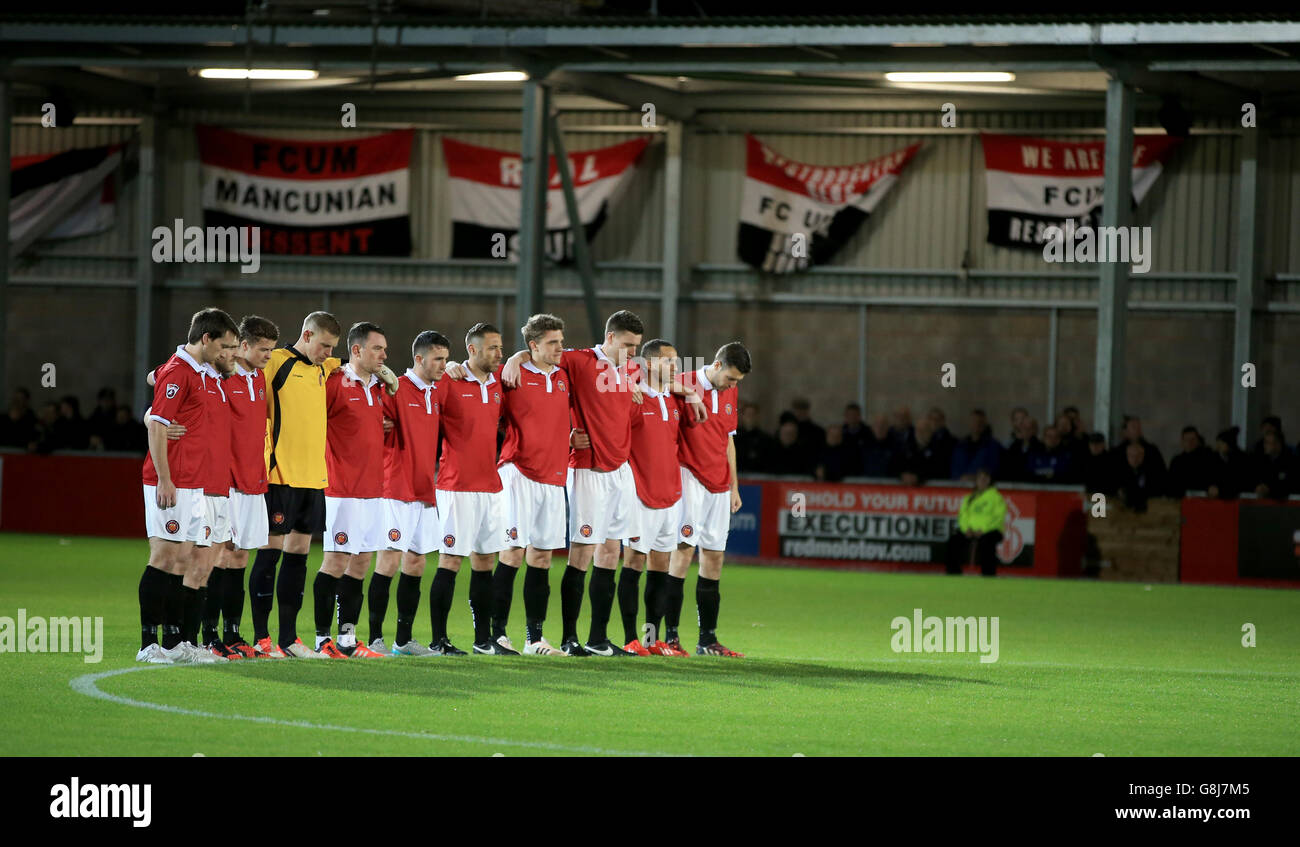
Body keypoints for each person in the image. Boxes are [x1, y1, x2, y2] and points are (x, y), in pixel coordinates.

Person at [497, 310, 654, 657]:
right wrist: (516, 356)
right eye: (627, 345)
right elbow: (540, 353)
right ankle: (569, 637)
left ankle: (598, 638)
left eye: (637, 347)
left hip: (620, 471)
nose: (632, 353)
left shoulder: (629, 371)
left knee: (611, 552)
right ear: (610, 338)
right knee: (580, 553)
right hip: (586, 469)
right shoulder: (581, 360)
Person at [135, 307, 239, 665]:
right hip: (173, 480)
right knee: (164, 558)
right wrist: (165, 478)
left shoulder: (205, 372)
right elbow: (157, 423)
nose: (229, 354)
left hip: (197, 483)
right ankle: (149, 644)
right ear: (206, 339)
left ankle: (175, 642)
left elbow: (156, 377)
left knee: (182, 562)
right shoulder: (181, 372)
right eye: (224, 346)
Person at [248, 311, 343, 659]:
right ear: (306, 334)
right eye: (323, 345)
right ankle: (261, 638)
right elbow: (231, 363)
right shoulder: (276, 362)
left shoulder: (323, 366)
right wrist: (158, 374)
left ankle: (289, 639)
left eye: (332, 348)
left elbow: (349, 361)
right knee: (269, 554)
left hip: (313, 477)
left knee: (299, 555)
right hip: (280, 476)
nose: (327, 352)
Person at [493, 315, 581, 657]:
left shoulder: (564, 376)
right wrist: (514, 359)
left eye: (561, 341)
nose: (561, 348)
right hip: (518, 472)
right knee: (512, 552)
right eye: (553, 343)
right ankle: (498, 635)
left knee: (542, 557)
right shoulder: (512, 375)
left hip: (554, 476)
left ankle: (534, 640)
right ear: (533, 346)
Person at [313, 322, 394, 659]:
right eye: (377, 348)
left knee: (360, 563)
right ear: (357, 350)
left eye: (385, 349)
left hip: (374, 490)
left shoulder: (380, 387)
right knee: (335, 561)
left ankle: (347, 638)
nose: (384, 355)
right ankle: (321, 639)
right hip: (341, 489)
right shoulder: (334, 382)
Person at [433, 323, 511, 656]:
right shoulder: (449, 381)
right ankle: (439, 640)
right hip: (456, 486)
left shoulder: (499, 383)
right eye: (493, 348)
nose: (499, 354)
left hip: (490, 486)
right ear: (473, 350)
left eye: (501, 348)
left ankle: (483, 641)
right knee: (450, 560)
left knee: (484, 562)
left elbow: (529, 358)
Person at [668, 341, 750, 657]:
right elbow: (641, 374)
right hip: (689, 477)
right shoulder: (684, 383)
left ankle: (708, 640)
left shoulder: (730, 389)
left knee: (714, 557)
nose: (733, 385)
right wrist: (686, 391)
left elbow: (728, 441)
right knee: (683, 553)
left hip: (719, 484)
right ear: (716, 366)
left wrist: (734, 485)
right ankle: (671, 637)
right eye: (730, 378)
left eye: (737, 382)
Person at [372, 331, 450, 657]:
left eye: (446, 359)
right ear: (419, 359)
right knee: (388, 560)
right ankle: (374, 638)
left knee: (416, 562)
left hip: (423, 489)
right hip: (395, 487)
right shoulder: (395, 388)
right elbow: (368, 419)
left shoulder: (435, 391)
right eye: (438, 360)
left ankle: (403, 641)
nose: (444, 366)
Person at [619, 338, 698, 657]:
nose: (676, 367)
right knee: (634, 561)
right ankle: (629, 638)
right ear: (648, 363)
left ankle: (651, 639)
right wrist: (627, 381)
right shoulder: (632, 395)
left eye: (677, 361)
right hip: (640, 493)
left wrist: (690, 392)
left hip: (671, 494)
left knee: (660, 567)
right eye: (668, 361)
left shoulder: (675, 399)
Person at [209, 315, 280, 659]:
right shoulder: (221, 375)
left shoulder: (259, 377)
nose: (268, 355)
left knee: (239, 558)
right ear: (244, 346)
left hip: (254, 482)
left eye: (271, 350)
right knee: (219, 556)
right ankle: (209, 635)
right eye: (263, 349)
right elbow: (162, 374)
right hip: (227, 482)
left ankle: (232, 633)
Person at [945, 467, 1006, 576]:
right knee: (954, 540)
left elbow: (998, 517)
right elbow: (963, 515)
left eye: (985, 478)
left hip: (990, 530)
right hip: (970, 530)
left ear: (989, 481)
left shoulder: (996, 497)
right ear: (976, 481)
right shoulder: (969, 498)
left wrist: (983, 530)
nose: (982, 481)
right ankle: (953, 573)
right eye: (980, 478)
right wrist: (966, 529)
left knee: (987, 543)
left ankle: (988, 574)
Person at [897, 415, 951, 485]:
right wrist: (902, 475)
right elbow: (895, 466)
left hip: (931, 491)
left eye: (924, 430)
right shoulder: (906, 447)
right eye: (918, 430)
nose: (920, 433)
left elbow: (940, 471)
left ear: (930, 431)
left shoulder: (938, 448)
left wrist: (918, 477)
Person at [950, 409, 1001, 481]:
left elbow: (994, 469)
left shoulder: (993, 446)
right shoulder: (960, 446)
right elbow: (954, 469)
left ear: (985, 424)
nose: (977, 425)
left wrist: (976, 478)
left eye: (980, 422)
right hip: (961, 487)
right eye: (974, 421)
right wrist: (960, 478)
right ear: (969, 423)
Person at [1167, 426, 1216, 497]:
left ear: (1198, 440)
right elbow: (1171, 485)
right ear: (1182, 441)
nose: (1190, 443)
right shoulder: (1177, 462)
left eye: (1193, 439)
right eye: (1186, 440)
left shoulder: (1208, 459)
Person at [1251, 430, 1296, 501]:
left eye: (1268, 443)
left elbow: (1290, 485)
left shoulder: (1291, 462)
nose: (1265, 446)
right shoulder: (1261, 462)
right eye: (1265, 442)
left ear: (1278, 444)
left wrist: (1269, 490)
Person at [1207, 427, 1250, 500]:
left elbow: (1240, 480)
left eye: (1222, 443)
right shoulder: (1212, 459)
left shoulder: (1241, 459)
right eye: (1218, 443)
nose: (1219, 446)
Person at [734, 402, 775, 474]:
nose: (750, 418)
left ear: (758, 417)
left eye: (753, 415)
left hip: (760, 479)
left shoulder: (766, 439)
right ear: (742, 416)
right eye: (748, 415)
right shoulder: (734, 438)